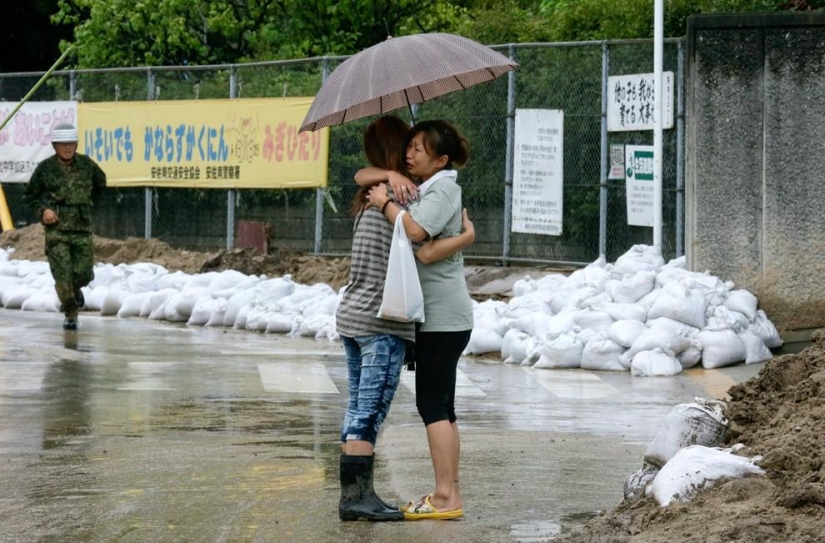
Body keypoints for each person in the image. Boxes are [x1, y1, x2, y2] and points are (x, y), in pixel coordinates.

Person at [336, 116, 474, 522]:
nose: (412, 154)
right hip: (386, 321)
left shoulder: (393, 195)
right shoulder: (397, 192)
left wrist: (386, 192)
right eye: (408, 148)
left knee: (431, 407)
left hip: (426, 318)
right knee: (420, 408)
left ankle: (445, 494)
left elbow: (420, 241)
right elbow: (421, 244)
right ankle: (375, 497)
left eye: (420, 149)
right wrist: (466, 237)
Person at [24, 123, 107, 330]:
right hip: (57, 231)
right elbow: (30, 196)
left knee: (84, 273)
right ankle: (70, 313)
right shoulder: (45, 169)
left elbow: (101, 185)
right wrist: (44, 211)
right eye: (63, 144)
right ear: (54, 146)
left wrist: (88, 205)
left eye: (71, 144)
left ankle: (76, 292)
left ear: (77, 144)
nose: (67, 148)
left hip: (82, 228)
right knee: (62, 275)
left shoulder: (88, 166)